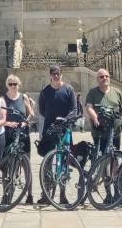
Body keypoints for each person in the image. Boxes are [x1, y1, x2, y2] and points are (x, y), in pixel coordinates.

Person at [36, 64, 76, 205]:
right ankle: (46, 194)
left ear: (61, 75)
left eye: (58, 73)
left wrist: (65, 120)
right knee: (47, 162)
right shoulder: (45, 91)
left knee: (64, 162)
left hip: (64, 131)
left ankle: (62, 195)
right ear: (50, 76)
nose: (56, 76)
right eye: (53, 74)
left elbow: (74, 109)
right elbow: (41, 110)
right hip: (49, 130)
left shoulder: (69, 89)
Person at [3, 74, 35, 204]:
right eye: (10, 84)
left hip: (22, 134)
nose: (13, 86)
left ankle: (30, 195)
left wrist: (25, 122)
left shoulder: (23, 97)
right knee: (6, 166)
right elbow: (0, 117)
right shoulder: (3, 99)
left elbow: (31, 113)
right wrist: (6, 123)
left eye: (15, 84)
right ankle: (6, 194)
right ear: (7, 85)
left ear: (19, 85)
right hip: (8, 134)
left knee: (26, 164)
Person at [85, 68, 122, 155]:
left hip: (114, 131)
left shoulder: (117, 92)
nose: (105, 78)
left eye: (106, 76)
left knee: (114, 157)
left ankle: (114, 168)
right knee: (100, 157)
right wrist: (95, 118)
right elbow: (89, 107)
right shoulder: (92, 92)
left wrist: (118, 117)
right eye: (101, 77)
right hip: (99, 131)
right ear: (97, 79)